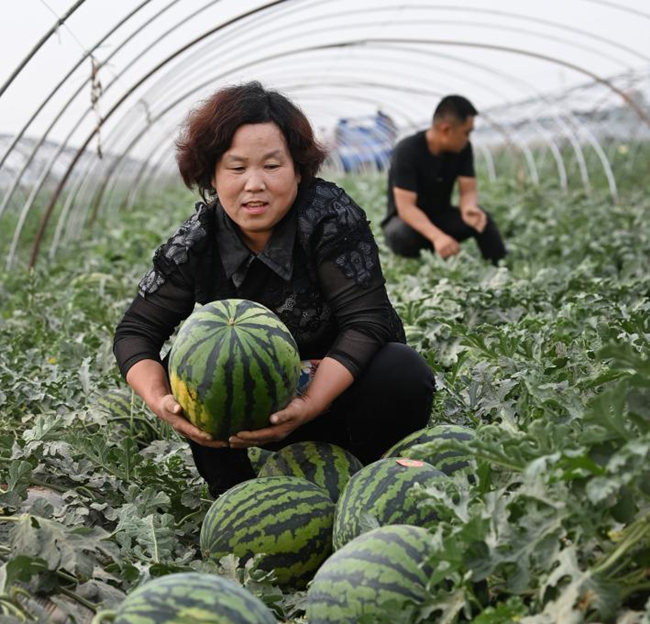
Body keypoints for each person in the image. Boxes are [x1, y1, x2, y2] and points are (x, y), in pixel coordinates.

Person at [113, 82, 435, 498]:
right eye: (236, 167)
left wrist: (310, 403)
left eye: (271, 165)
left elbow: (367, 321)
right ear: (212, 173)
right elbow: (135, 332)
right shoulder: (199, 241)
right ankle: (235, 497)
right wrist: (164, 403)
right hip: (258, 416)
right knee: (192, 361)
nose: (254, 184)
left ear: (298, 170)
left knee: (401, 370)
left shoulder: (325, 216)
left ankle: (374, 478)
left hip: (344, 399)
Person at [382, 95, 506, 263]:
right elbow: (406, 209)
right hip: (408, 223)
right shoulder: (407, 150)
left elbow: (468, 189)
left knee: (482, 220)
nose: (468, 138)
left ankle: (500, 267)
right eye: (466, 132)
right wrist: (438, 237)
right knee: (401, 234)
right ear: (446, 129)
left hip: (440, 217)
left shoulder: (463, 148)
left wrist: (468, 208)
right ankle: (419, 270)